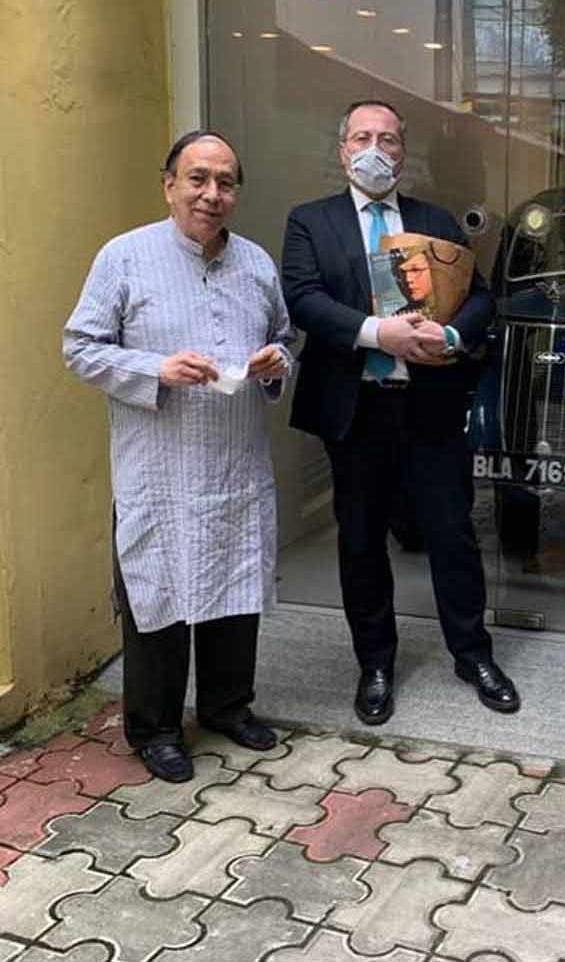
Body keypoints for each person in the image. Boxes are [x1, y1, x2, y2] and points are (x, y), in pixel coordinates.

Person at [64, 131, 293, 782]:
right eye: (197, 178)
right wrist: (154, 368)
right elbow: (79, 347)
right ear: (169, 185)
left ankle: (227, 706)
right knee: (158, 598)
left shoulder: (256, 263)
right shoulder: (124, 257)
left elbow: (283, 337)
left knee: (234, 589)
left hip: (235, 467)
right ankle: (156, 728)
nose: (211, 193)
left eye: (225, 182)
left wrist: (276, 362)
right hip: (159, 472)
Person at [282, 99, 520, 725]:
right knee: (361, 541)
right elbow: (303, 299)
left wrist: (452, 336)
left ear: (402, 152)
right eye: (362, 137)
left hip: (429, 406)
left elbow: (480, 297)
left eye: (387, 139)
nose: (374, 149)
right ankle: (376, 664)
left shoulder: (433, 220)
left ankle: (473, 655)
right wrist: (376, 333)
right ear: (342, 149)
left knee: (452, 533)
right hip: (354, 408)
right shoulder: (310, 221)